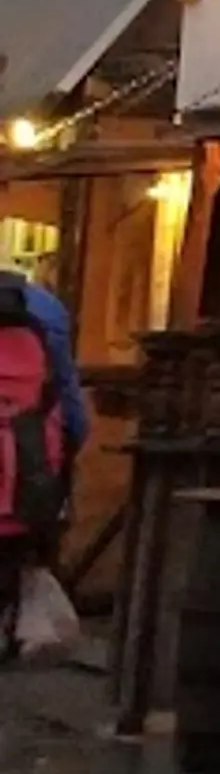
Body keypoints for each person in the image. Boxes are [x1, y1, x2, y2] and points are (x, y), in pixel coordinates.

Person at [0, 264, 89, 658]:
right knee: (16, 557)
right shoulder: (45, 307)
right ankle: (12, 633)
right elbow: (70, 403)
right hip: (26, 466)